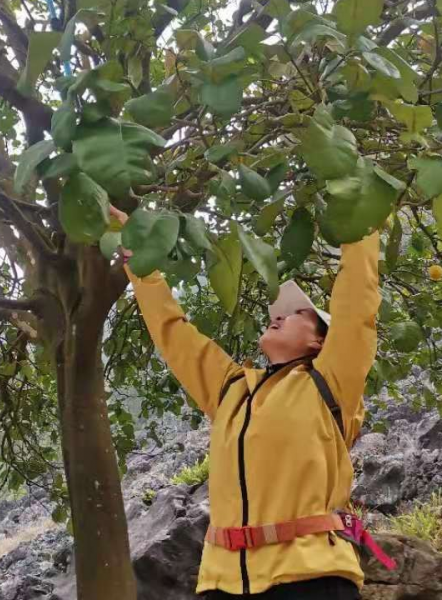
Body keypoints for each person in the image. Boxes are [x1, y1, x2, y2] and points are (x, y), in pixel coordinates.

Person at [110, 206, 386, 599]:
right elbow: (172, 332)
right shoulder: (230, 389)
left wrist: (360, 208)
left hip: (310, 579)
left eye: (296, 313)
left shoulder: (330, 381)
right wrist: (139, 255)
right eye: (277, 312)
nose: (278, 316)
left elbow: (357, 299)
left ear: (321, 340)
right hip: (222, 585)